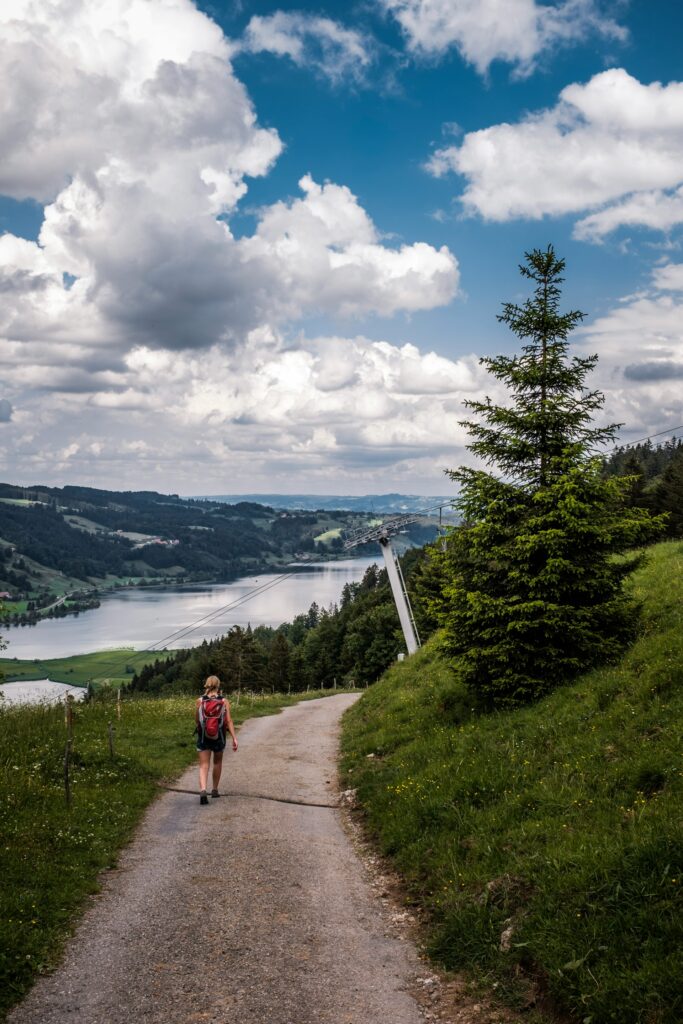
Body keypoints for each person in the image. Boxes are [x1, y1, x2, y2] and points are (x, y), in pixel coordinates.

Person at [196, 675, 238, 805]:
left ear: (207, 685)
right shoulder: (224, 701)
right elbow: (228, 721)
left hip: (203, 736)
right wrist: (234, 738)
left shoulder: (200, 701)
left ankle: (203, 790)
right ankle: (214, 790)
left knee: (204, 765)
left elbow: (197, 720)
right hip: (219, 736)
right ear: (218, 685)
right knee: (217, 762)